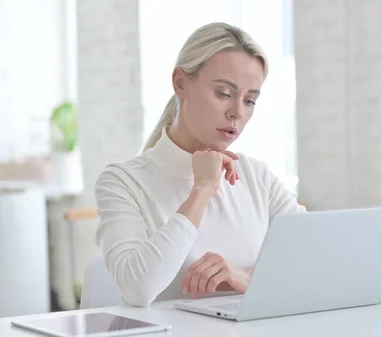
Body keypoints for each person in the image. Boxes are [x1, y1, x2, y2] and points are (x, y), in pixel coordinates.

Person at [94, 22, 305, 307]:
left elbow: (314, 263)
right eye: (224, 94)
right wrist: (202, 189)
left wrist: (244, 278)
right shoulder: (123, 182)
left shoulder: (257, 177)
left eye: (250, 100)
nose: (237, 112)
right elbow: (138, 288)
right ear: (181, 83)